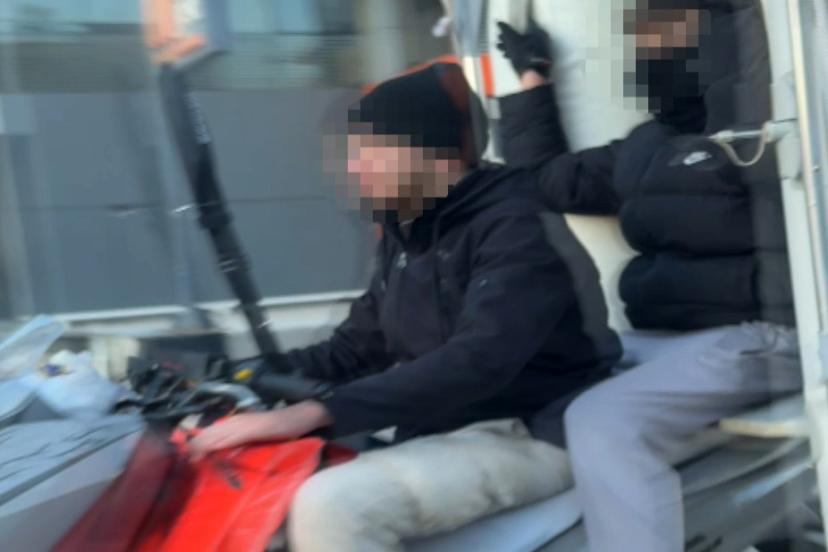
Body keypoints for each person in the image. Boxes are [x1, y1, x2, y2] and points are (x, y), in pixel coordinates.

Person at [188, 62, 621, 552]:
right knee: (259, 491)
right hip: (443, 426)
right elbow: (356, 348)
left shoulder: (516, 227)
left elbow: (479, 359)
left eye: (369, 151)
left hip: (530, 429)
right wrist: (239, 377)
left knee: (336, 505)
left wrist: (314, 412)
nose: (354, 169)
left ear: (428, 151)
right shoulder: (410, 232)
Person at [496, 1, 803, 551]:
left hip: (766, 338)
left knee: (602, 421)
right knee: (534, 370)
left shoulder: (772, 127)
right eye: (642, 33)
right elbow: (541, 182)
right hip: (666, 344)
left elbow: (749, 75)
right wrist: (532, 79)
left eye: (669, 29)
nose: (649, 46)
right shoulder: (645, 147)